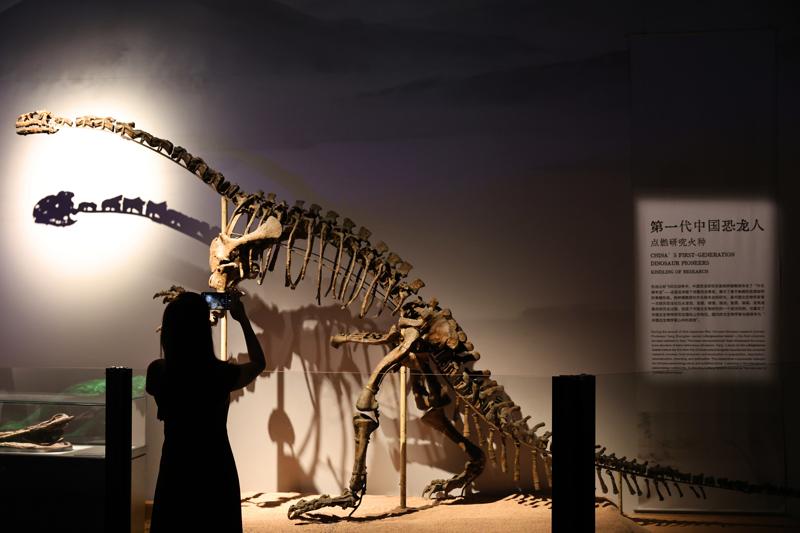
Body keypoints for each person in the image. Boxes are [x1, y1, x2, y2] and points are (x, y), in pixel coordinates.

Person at [146, 291, 265, 533]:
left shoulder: (157, 372)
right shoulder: (221, 374)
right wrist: (242, 319)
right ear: (203, 330)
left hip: (175, 467)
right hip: (215, 468)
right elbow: (258, 363)